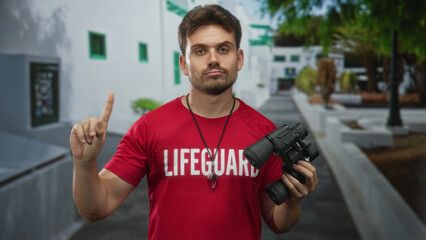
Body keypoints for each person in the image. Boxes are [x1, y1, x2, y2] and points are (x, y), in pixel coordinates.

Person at [70, 4, 318, 240]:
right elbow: (97, 208)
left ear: (239, 59)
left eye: (223, 49)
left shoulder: (264, 131)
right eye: (200, 50)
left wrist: (292, 201)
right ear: (184, 64)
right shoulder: (149, 127)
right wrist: (84, 164)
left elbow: (278, 222)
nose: (213, 59)